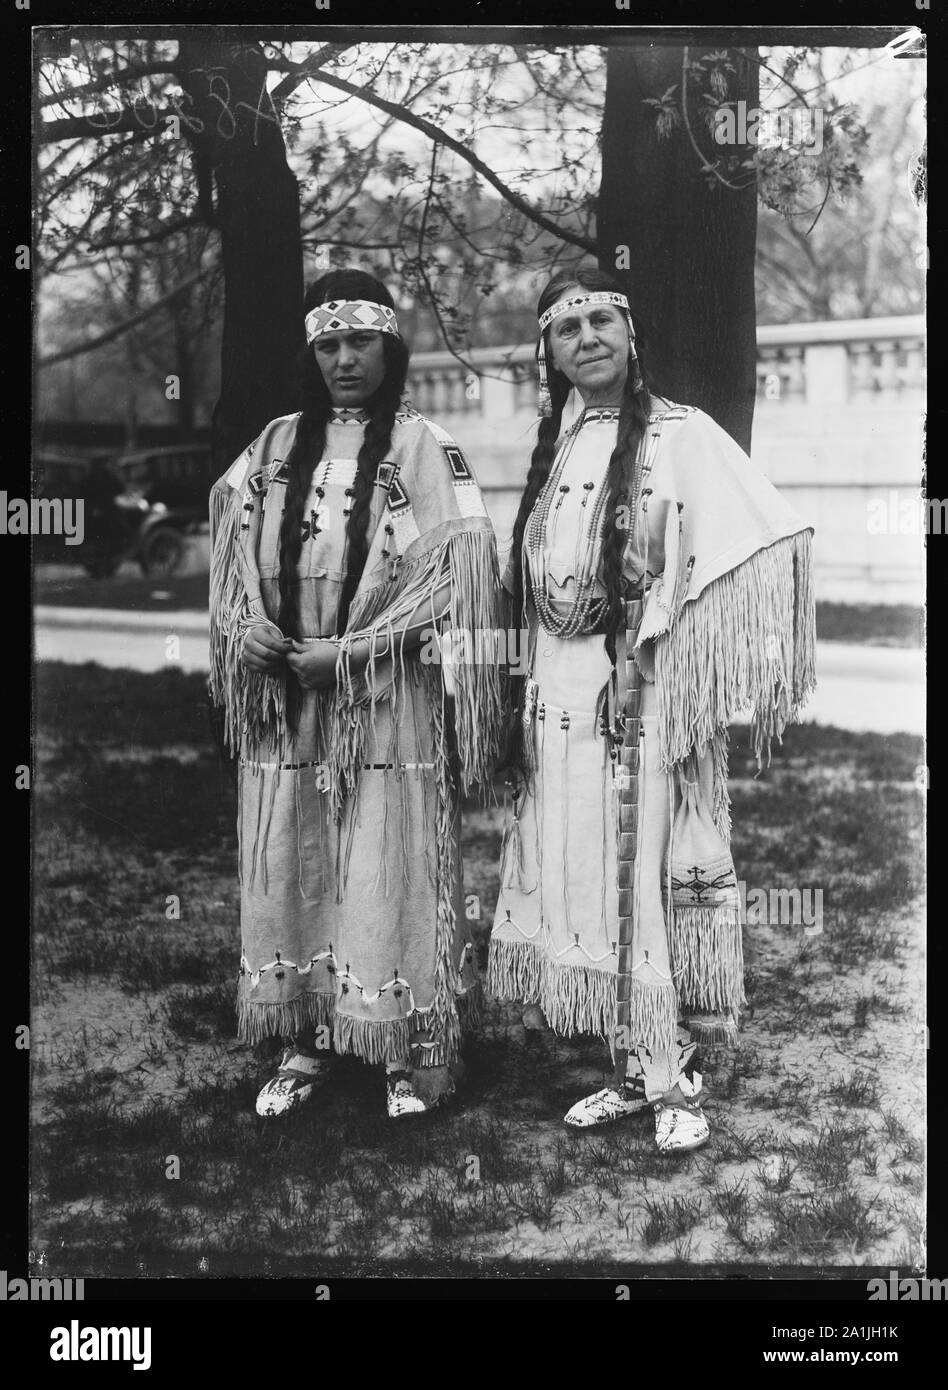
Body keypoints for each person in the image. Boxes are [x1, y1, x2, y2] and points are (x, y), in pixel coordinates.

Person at [488, 266, 815, 1151]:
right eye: (566, 328)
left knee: (638, 870)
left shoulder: (681, 433)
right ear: (550, 354)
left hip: (639, 686)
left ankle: (671, 1077)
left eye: (601, 319)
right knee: (587, 872)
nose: (586, 337)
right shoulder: (558, 444)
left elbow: (745, 536)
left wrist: (646, 656)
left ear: (631, 334)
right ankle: (628, 1067)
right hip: (557, 687)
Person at [209, 269, 503, 1119]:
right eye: (329, 344)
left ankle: (401, 1046)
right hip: (286, 702)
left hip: (382, 697)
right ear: (313, 353)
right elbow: (230, 554)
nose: (345, 359)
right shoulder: (272, 445)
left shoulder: (424, 445)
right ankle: (307, 1037)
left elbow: (460, 577)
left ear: (390, 347)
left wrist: (351, 651)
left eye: (360, 343)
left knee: (384, 859)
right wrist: (247, 627)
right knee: (295, 858)